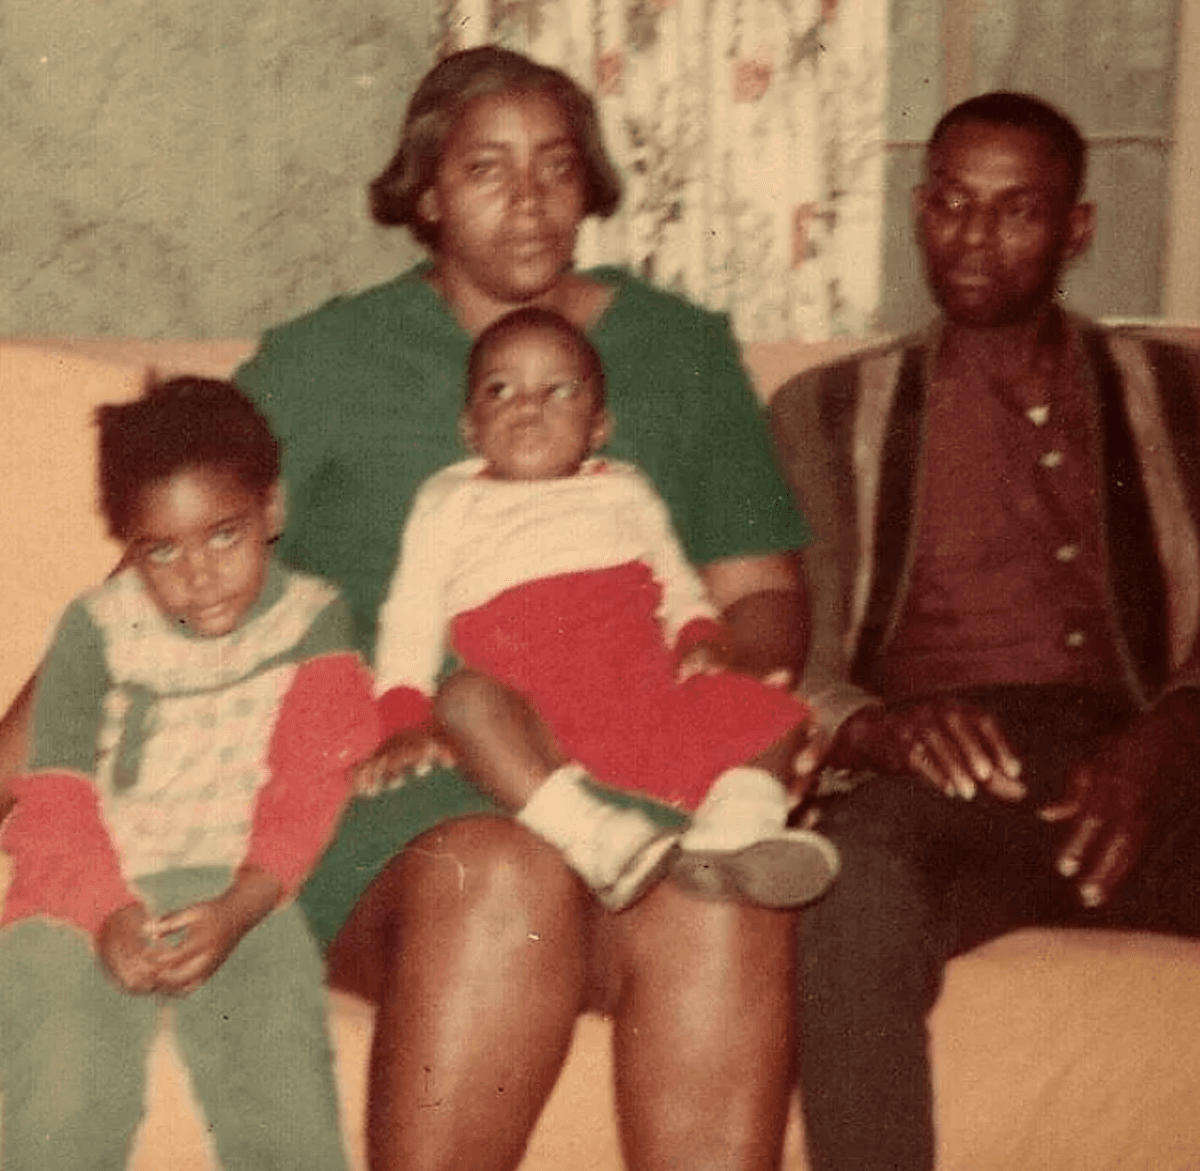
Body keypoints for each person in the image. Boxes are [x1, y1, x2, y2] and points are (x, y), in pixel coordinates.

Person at [225, 45, 813, 1171]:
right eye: (486, 168)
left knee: (728, 886)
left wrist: (724, 674)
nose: (530, 197)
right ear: (427, 194)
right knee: (505, 871)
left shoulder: (680, 350)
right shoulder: (326, 359)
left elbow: (765, 595)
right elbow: (168, 575)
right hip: (410, 800)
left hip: (641, 768)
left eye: (556, 164)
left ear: (590, 182)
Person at [770, 90, 1200, 1171]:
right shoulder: (827, 412)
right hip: (944, 787)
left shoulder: (1179, 393)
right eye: (952, 204)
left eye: (1017, 211)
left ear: (1076, 229)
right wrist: (873, 730)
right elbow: (784, 645)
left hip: (1151, 763)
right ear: (920, 210)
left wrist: (1170, 736)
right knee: (846, 886)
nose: (973, 238)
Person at [0, 377, 379, 1171]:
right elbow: (52, 794)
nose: (198, 576)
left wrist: (242, 905)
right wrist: (104, 910)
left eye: (224, 535)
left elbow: (310, 789)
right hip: (77, 892)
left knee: (281, 1078)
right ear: (127, 547)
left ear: (272, 510)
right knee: (58, 1072)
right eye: (161, 550)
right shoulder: (94, 629)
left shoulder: (313, 622)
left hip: (235, 889)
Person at [360, 305, 839, 912]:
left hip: (645, 701)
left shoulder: (626, 489)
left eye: (560, 391)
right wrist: (403, 719)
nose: (528, 407)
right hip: (535, 718)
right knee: (462, 700)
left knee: (781, 711)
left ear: (599, 427)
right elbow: (410, 618)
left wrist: (699, 634)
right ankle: (598, 837)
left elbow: (676, 583)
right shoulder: (448, 501)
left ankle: (735, 830)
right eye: (500, 390)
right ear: (469, 428)